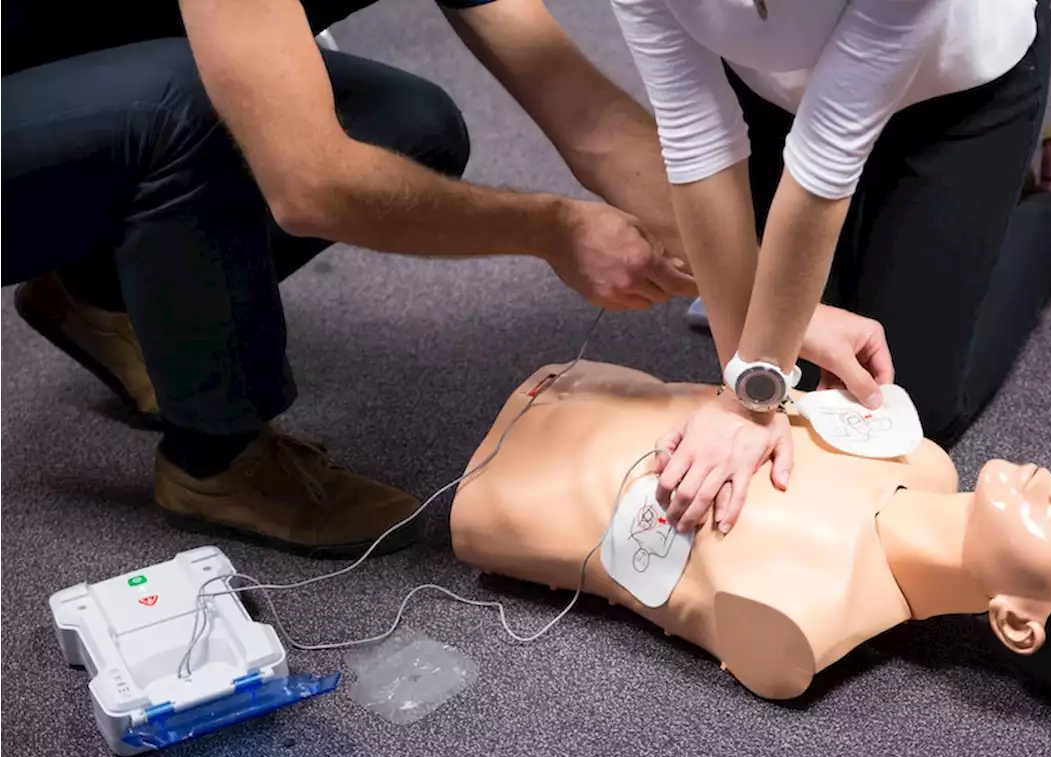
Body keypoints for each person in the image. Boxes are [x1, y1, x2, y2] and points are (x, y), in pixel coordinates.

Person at [0, 0, 699, 559]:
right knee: (200, 114)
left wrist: (750, 292)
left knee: (410, 128)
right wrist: (554, 230)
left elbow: (588, 114)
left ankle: (100, 291)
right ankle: (217, 461)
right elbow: (312, 184)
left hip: (77, 54)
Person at [607, 0, 1051, 536]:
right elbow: (696, 137)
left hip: (960, 92)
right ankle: (971, 218)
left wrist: (749, 403)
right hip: (773, 91)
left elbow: (826, 158)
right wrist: (744, 380)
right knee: (814, 384)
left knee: (905, 411)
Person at [450, 360, 1051, 700]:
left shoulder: (805, 619)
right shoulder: (920, 457)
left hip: (500, 486)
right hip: (584, 377)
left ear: (1020, 626)